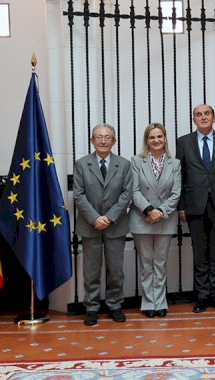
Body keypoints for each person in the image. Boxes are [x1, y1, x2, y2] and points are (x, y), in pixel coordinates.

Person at [176, 104, 215, 313]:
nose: (203, 117)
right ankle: (202, 297)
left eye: (206, 114)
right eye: (198, 115)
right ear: (194, 119)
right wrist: (180, 207)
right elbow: (180, 177)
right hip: (194, 206)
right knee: (200, 254)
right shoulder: (183, 142)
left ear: (213, 117)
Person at [73, 124, 133, 326]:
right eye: (99, 137)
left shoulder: (124, 164)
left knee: (116, 269)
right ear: (92, 141)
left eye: (108, 137)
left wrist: (109, 217)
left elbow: (127, 194)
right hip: (90, 225)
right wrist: (94, 218)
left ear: (114, 142)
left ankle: (115, 305)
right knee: (91, 270)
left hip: (115, 225)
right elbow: (78, 194)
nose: (103, 141)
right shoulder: (82, 164)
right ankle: (91, 307)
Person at [128, 123, 181, 318]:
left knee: (160, 263)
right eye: (152, 137)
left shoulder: (174, 164)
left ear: (165, 139)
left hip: (164, 219)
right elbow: (133, 190)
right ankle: (148, 303)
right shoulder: (136, 161)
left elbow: (176, 193)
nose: (156, 140)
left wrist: (160, 212)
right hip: (142, 219)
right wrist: (149, 210)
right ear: (147, 141)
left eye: (160, 136)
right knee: (146, 263)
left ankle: (160, 302)